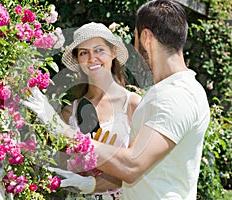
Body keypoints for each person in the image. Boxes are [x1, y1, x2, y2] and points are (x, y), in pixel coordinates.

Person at [22, 0, 210, 199]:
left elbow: (131, 164)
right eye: (84, 53)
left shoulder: (176, 96)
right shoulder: (166, 92)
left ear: (145, 37)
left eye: (136, 39)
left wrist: (63, 131)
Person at [59, 22, 141, 199]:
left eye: (99, 50)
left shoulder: (133, 105)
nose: (91, 58)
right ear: (78, 60)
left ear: (113, 52)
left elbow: (140, 167)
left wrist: (94, 182)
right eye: (83, 53)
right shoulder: (69, 112)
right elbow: (63, 168)